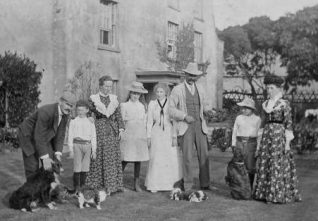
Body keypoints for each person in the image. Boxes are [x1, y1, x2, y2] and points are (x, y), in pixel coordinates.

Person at [254, 75, 302, 204]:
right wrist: (259, 142)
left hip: (278, 136)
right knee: (266, 161)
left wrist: (287, 143)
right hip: (267, 136)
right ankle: (264, 193)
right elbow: (262, 123)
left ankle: (276, 194)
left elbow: (289, 123)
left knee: (276, 162)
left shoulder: (284, 104)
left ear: (277, 89)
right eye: (267, 88)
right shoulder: (265, 104)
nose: (269, 90)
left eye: (271, 88)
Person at [169, 62, 212, 191]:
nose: (192, 78)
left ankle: (205, 183)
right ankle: (188, 184)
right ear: (185, 75)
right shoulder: (178, 89)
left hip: (200, 125)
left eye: (195, 76)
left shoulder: (201, 88)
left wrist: (208, 111)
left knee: (203, 155)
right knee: (187, 156)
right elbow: (170, 109)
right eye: (190, 75)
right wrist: (184, 116)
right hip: (185, 126)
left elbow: (206, 104)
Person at [18, 91, 77, 181]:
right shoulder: (46, 111)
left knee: (52, 164)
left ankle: (47, 190)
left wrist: (58, 153)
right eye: (67, 104)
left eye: (71, 106)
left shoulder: (65, 115)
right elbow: (39, 136)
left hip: (43, 137)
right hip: (28, 137)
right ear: (60, 101)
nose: (69, 108)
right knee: (33, 168)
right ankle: (32, 192)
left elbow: (60, 135)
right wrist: (45, 158)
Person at [85, 75, 125, 194]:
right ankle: (97, 184)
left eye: (110, 86)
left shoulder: (114, 99)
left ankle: (112, 185)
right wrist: (89, 118)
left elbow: (118, 115)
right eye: (106, 86)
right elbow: (85, 112)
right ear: (101, 86)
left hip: (112, 130)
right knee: (98, 155)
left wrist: (121, 129)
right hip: (98, 130)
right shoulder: (93, 99)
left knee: (111, 156)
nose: (108, 88)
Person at [145, 83, 183, 193]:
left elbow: (175, 120)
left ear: (166, 92)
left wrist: (174, 136)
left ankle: (170, 184)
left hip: (168, 131)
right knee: (156, 156)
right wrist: (148, 136)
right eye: (157, 92)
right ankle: (154, 185)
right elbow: (149, 121)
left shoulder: (170, 103)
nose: (159, 94)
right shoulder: (152, 104)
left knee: (170, 157)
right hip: (156, 131)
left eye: (161, 92)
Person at [120, 81, 149, 192]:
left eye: (137, 94)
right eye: (133, 93)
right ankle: (118, 182)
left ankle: (136, 184)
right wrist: (122, 133)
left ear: (140, 95)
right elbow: (121, 121)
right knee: (125, 158)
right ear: (130, 93)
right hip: (129, 133)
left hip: (139, 133)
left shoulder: (142, 106)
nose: (135, 96)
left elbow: (144, 120)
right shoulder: (124, 105)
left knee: (138, 158)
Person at [231, 97, 261, 189]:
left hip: (251, 143)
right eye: (242, 108)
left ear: (252, 109)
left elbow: (259, 134)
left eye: (246, 108)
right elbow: (235, 131)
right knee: (238, 165)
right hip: (239, 142)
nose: (243, 110)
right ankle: (239, 187)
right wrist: (233, 144)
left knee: (250, 166)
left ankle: (249, 188)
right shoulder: (239, 118)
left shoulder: (257, 119)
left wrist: (258, 148)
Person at [68, 100, 97, 190]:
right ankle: (76, 187)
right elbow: (70, 136)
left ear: (87, 110)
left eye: (82, 110)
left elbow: (93, 136)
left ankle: (82, 187)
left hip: (87, 146)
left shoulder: (90, 122)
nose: (80, 112)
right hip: (77, 145)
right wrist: (71, 150)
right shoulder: (73, 121)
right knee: (77, 167)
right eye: (78, 110)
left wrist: (94, 151)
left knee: (85, 167)